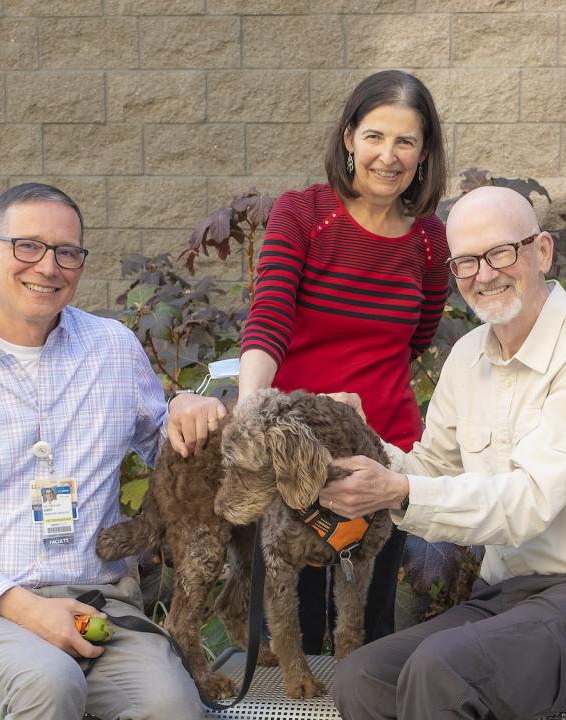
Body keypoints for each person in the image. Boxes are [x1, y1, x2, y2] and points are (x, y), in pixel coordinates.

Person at [318, 186, 566, 720]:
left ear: (542, 252)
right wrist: (357, 442)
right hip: (510, 595)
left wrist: (398, 489)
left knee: (444, 668)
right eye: (465, 262)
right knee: (363, 677)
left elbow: (528, 501)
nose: (483, 274)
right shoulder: (467, 357)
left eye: (500, 253)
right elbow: (430, 471)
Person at [0, 183, 198, 720]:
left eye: (67, 252)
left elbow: (165, 448)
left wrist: (192, 409)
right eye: (27, 246)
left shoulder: (113, 349)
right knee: (49, 686)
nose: (48, 266)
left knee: (171, 705)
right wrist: (23, 607)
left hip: (101, 603)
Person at [166, 69, 450, 652]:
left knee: (363, 634)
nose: (388, 156)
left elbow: (415, 337)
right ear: (349, 137)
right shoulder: (304, 215)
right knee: (292, 639)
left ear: (424, 153)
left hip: (381, 452)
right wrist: (252, 414)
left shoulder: (429, 240)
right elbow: (270, 317)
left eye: (406, 141)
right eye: (374, 136)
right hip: (295, 455)